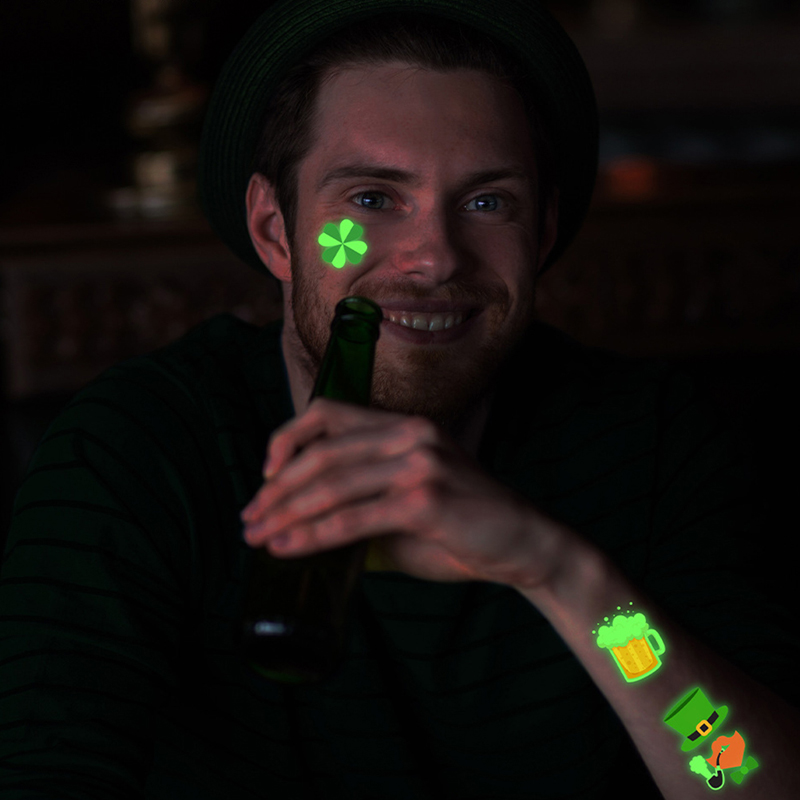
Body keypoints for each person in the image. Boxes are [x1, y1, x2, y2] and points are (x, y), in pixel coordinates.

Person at [1, 1, 799, 798]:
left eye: (488, 202)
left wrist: (562, 576)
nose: (434, 258)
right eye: (373, 199)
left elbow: (734, 776)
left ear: (543, 232)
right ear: (275, 230)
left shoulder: (651, 438)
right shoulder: (137, 450)